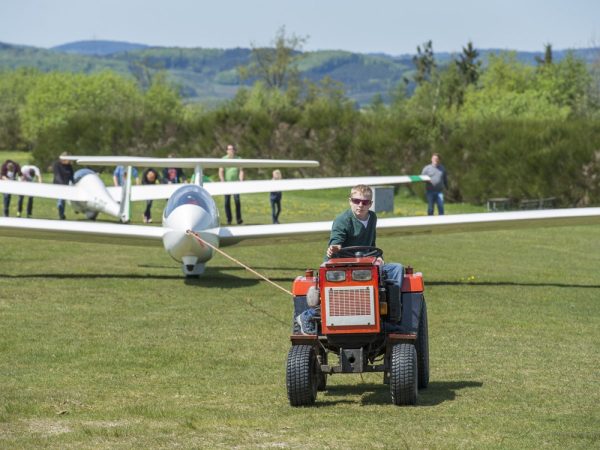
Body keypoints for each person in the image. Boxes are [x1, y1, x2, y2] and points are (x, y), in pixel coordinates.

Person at [296, 184, 405, 335]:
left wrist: (378, 258)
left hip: (366, 264)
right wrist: (334, 248)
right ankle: (309, 315)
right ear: (350, 201)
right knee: (338, 291)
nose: (360, 205)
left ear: (370, 204)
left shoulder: (372, 217)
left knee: (397, 269)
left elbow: (371, 244)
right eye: (356, 201)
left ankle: (390, 317)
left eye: (365, 202)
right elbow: (335, 242)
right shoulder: (343, 220)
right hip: (341, 266)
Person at [218, 144, 244, 225]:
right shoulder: (223, 159)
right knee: (227, 202)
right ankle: (229, 219)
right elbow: (221, 171)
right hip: (227, 183)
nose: (231, 150)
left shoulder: (239, 159)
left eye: (232, 149)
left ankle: (239, 219)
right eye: (229, 149)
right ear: (227, 151)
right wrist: (222, 181)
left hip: (236, 183)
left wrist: (241, 181)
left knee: (237, 201)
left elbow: (241, 171)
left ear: (235, 150)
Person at [52, 152, 74, 219]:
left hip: (66, 184)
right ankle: (60, 211)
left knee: (63, 200)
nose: (69, 161)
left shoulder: (69, 166)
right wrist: (61, 184)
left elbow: (71, 175)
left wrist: (74, 182)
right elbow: (57, 175)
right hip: (58, 184)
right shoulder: (56, 164)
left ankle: (61, 214)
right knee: (61, 199)